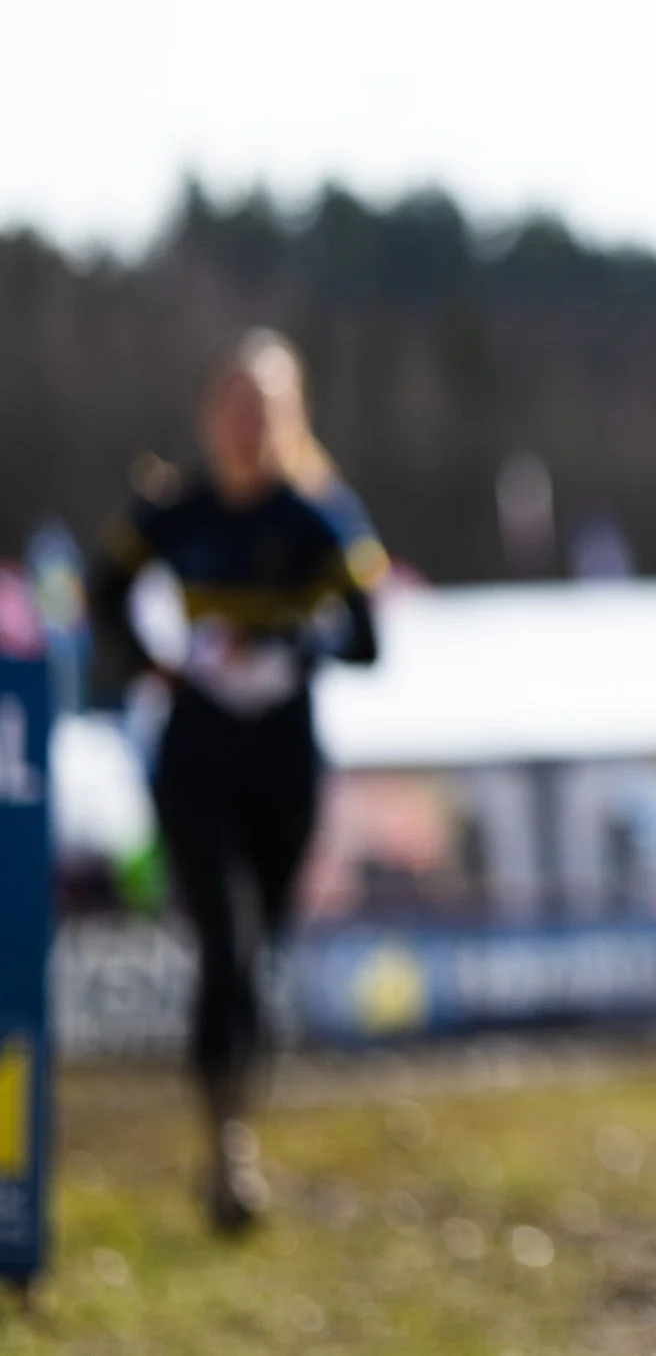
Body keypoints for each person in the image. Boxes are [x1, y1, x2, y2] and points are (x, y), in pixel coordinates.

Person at [87, 330, 387, 1233]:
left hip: (283, 761)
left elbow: (368, 639)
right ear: (213, 415)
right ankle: (227, 1152)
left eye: (265, 411)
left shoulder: (321, 514)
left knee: (257, 956)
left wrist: (288, 643)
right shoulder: (178, 508)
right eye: (235, 409)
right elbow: (102, 591)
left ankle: (239, 1122)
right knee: (226, 938)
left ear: (287, 416)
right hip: (196, 757)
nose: (247, 426)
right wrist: (156, 663)